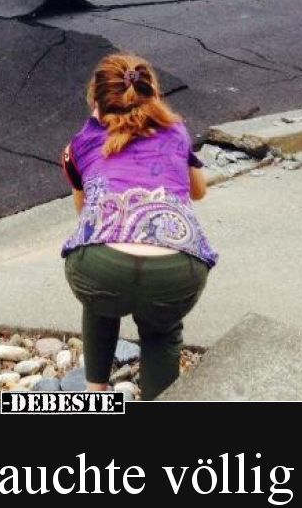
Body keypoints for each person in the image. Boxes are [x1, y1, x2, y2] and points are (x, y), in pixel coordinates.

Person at [60, 53, 218, 400]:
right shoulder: (176, 131)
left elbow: (83, 211)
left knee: (100, 304)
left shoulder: (78, 146)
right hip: (177, 267)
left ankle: (95, 393)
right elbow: (199, 191)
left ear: (96, 100)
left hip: (100, 267)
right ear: (151, 93)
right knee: (162, 332)